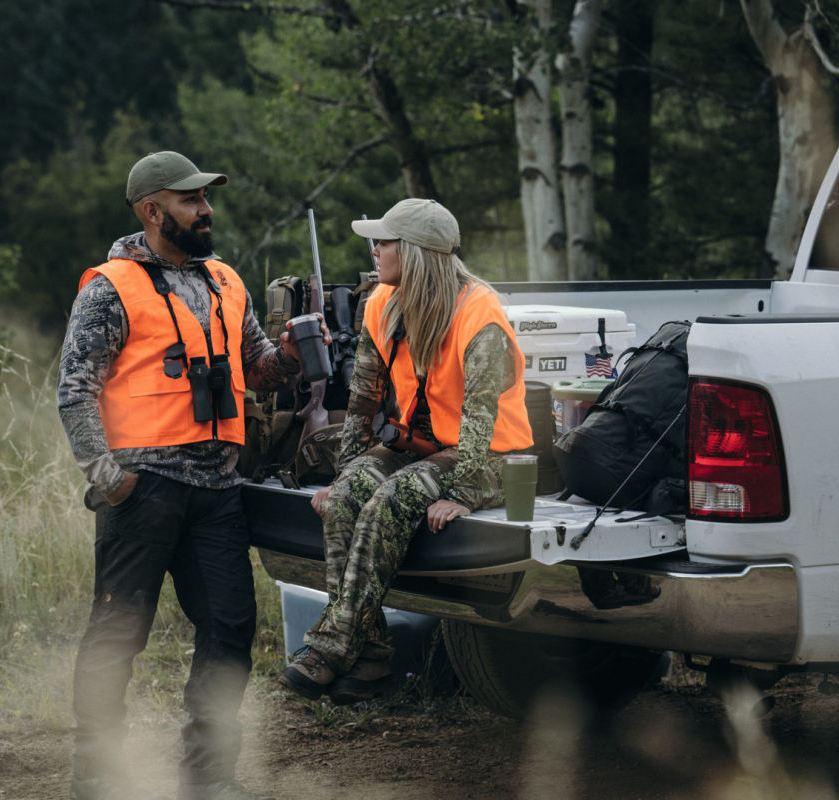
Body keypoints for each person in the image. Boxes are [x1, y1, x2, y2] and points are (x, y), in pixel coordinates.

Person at [58, 151, 324, 800]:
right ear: (152, 211)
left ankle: (209, 782)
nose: (205, 210)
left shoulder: (227, 282)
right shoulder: (110, 288)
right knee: (117, 636)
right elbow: (74, 390)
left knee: (231, 628)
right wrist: (110, 478)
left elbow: (256, 364)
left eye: (205, 199)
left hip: (217, 492)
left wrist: (290, 354)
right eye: (190, 200)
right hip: (141, 492)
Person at [277, 198, 534, 705]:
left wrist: (460, 494)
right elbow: (363, 400)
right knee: (350, 496)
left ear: (415, 252)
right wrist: (344, 474)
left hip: (490, 460)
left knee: (389, 503)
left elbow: (480, 418)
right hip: (425, 448)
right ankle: (371, 658)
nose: (374, 250)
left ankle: (332, 645)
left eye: (385, 241)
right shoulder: (381, 304)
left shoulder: (479, 311)